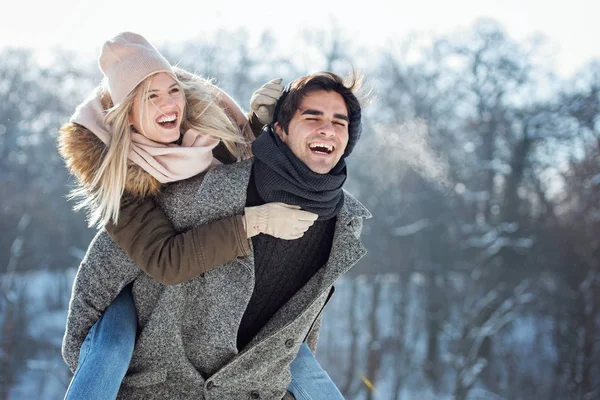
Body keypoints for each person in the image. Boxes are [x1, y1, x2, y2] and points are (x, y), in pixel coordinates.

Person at [62, 50, 371, 398]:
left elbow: (252, 156)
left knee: (294, 358)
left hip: (235, 359)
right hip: (137, 302)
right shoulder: (125, 188)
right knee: (112, 345)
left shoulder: (205, 138)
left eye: (173, 91)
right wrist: (255, 221)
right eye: (150, 96)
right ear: (128, 116)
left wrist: (257, 123)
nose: (168, 104)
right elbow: (165, 261)